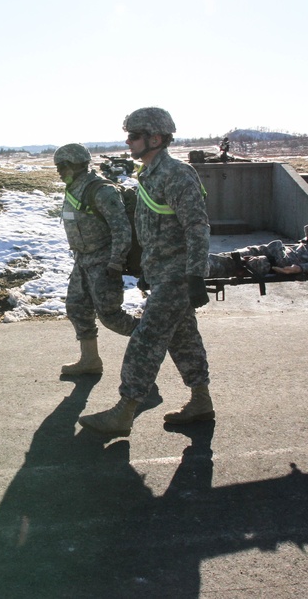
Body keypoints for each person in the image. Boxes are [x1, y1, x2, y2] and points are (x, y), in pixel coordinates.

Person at [78, 107, 212, 436]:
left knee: (146, 339)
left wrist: (196, 276)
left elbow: (197, 227)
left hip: (178, 275)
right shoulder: (149, 175)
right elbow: (153, 228)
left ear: (155, 138)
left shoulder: (177, 174)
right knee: (183, 338)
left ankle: (124, 411)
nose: (128, 142)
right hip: (161, 271)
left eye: (133, 136)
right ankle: (201, 400)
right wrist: (144, 268)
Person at [54, 143, 139, 376]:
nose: (59, 171)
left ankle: (150, 338)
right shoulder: (73, 188)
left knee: (110, 315)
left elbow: (121, 229)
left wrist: (115, 261)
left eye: (64, 165)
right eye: (58, 166)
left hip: (104, 261)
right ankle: (90, 360)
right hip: (82, 260)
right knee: (77, 308)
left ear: (79, 164)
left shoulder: (101, 190)